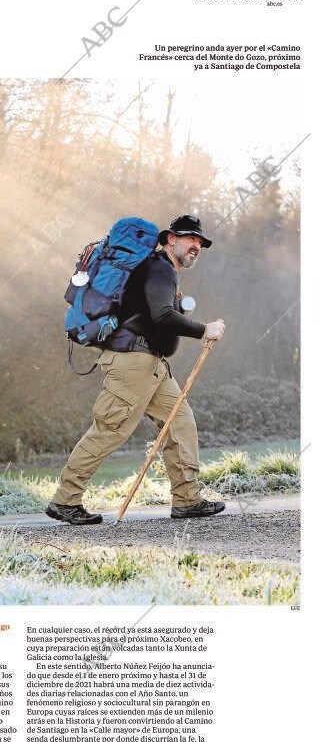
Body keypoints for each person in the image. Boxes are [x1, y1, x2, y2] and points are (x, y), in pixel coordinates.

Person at [46, 214, 226, 525]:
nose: (196, 245)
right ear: (170, 239)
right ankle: (65, 500)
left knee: (180, 422)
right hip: (132, 364)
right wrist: (203, 329)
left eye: (200, 242)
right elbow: (163, 316)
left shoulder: (159, 269)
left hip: (151, 365)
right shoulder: (159, 269)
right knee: (110, 430)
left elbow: (157, 315)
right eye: (189, 238)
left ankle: (187, 499)